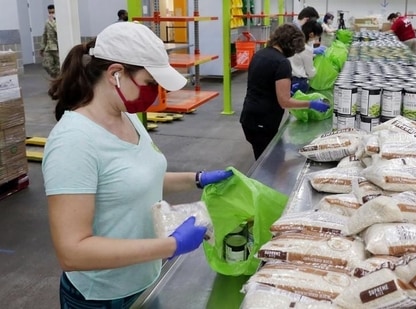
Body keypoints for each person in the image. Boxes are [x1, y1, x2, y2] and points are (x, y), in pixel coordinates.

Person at [42, 22, 233, 307]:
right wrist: (171, 245)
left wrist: (198, 178)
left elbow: (136, 178)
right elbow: (72, 251)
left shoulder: (126, 116)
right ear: (116, 74)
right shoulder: (74, 142)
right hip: (104, 296)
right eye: (150, 83)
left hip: (145, 276)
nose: (154, 93)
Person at [240, 23, 330, 160]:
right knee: (270, 164)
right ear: (290, 44)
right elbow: (284, 102)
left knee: (262, 157)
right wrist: (311, 104)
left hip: (249, 117)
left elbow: (262, 83)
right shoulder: (282, 63)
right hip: (263, 121)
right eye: (295, 49)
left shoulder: (260, 54)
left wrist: (287, 89)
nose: (294, 53)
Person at [289, 19, 323, 94]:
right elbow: (310, 73)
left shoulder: (292, 42)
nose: (316, 39)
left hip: (287, 80)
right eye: (317, 37)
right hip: (299, 82)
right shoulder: (306, 49)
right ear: (311, 34)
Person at [40, 4, 59, 78]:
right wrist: (42, 48)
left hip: (57, 47)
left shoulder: (59, 21)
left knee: (59, 65)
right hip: (49, 47)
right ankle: (56, 77)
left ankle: (59, 80)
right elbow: (44, 34)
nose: (51, 14)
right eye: (50, 12)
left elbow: (59, 32)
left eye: (53, 12)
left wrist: (53, 22)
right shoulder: (47, 22)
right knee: (46, 65)